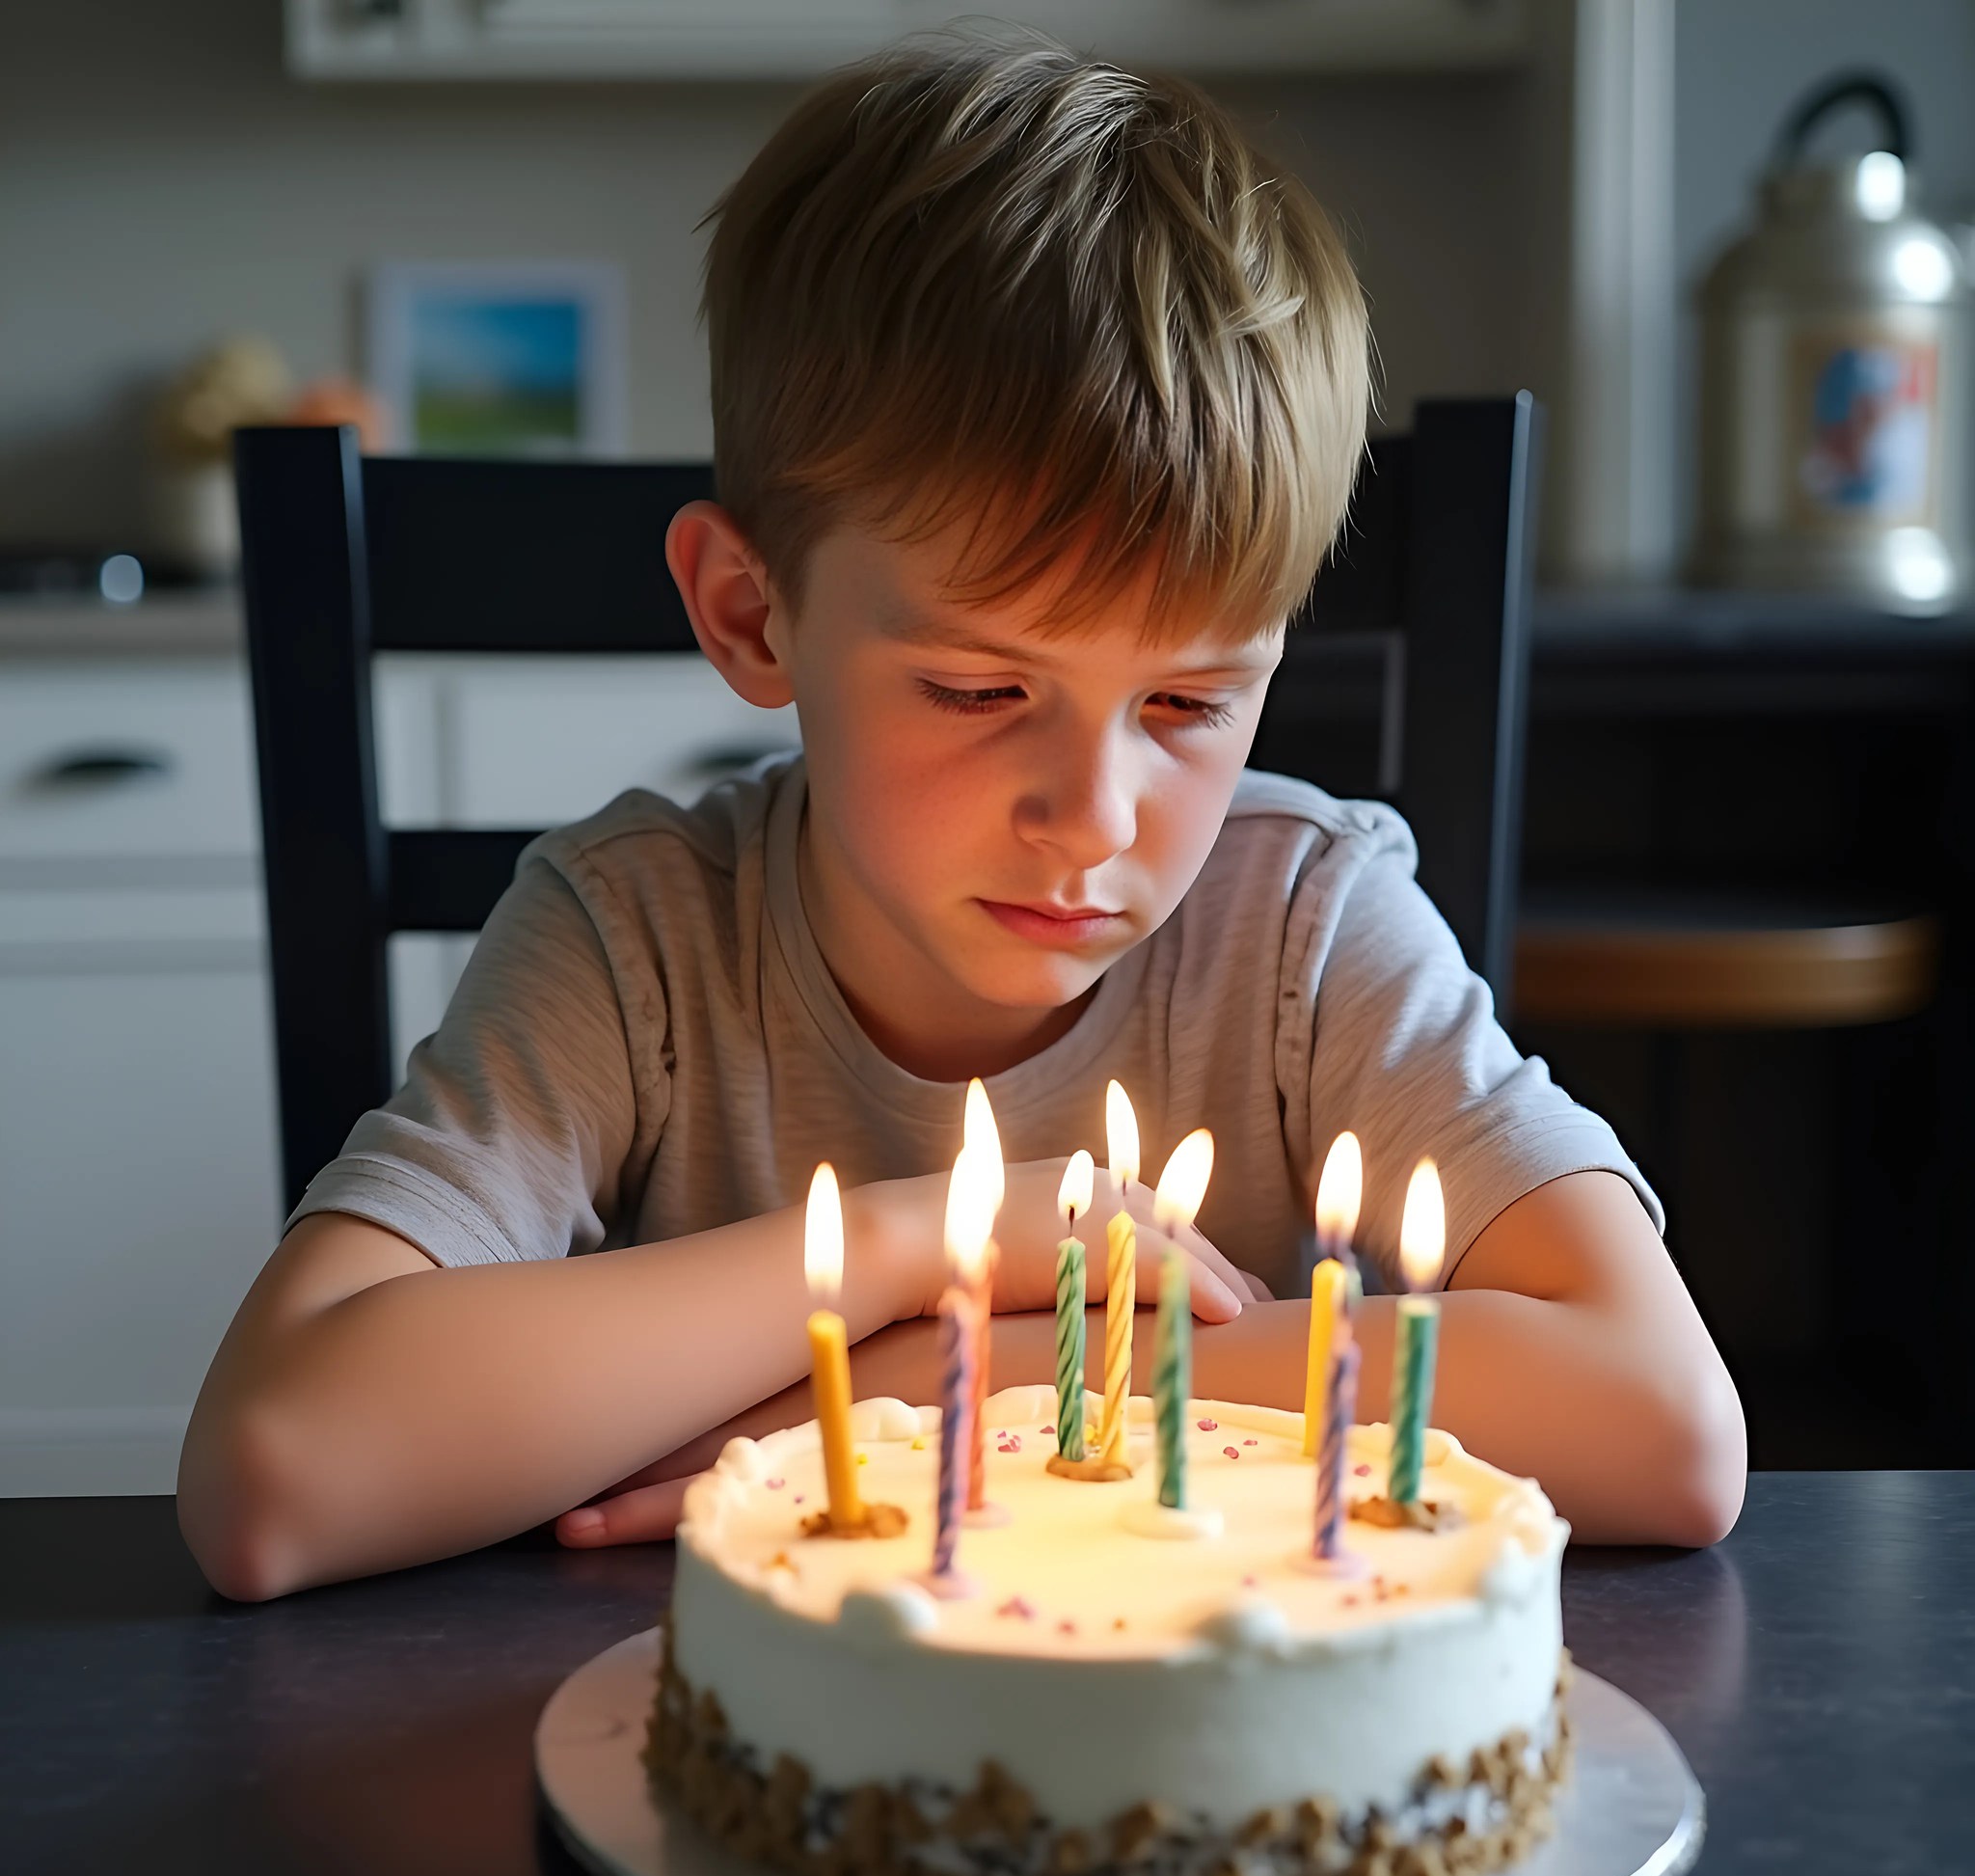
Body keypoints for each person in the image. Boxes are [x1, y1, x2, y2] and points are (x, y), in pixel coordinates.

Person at [179, 29, 1745, 1601]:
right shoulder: (639, 938)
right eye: (980, 692)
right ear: (751, 613)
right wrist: (930, 1241)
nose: (1092, 819)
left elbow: (1669, 1423)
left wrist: (971, 1383)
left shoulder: (1303, 929)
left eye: (1190, 705)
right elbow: (275, 1475)